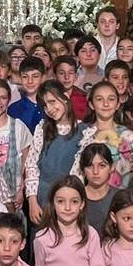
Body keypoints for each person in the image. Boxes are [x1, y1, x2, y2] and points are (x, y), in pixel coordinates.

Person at [23, 82, 87, 223]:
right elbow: (32, 165)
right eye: (45, 106)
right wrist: (32, 201)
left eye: (52, 102)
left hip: (69, 202)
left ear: (65, 97)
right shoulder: (42, 128)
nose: (50, 109)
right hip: (42, 199)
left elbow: (78, 174)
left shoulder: (85, 131)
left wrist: (69, 201)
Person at [74, 80, 133, 187]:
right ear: (91, 104)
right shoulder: (81, 134)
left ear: (117, 104)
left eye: (111, 99)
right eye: (99, 99)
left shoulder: (131, 138)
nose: (106, 104)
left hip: (121, 198)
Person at [77, 144, 118, 230]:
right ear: (82, 169)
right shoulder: (75, 198)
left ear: (111, 167)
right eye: (89, 166)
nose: (95, 172)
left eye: (102, 166)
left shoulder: (120, 197)